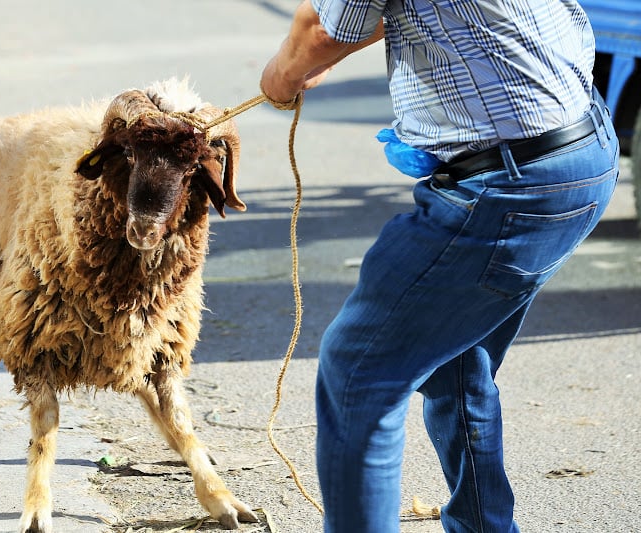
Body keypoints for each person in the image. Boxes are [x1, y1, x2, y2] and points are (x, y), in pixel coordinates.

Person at [260, 1, 619, 532]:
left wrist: (280, 78)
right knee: (456, 359)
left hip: (510, 182)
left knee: (359, 370)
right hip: (579, 148)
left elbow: (317, 29)